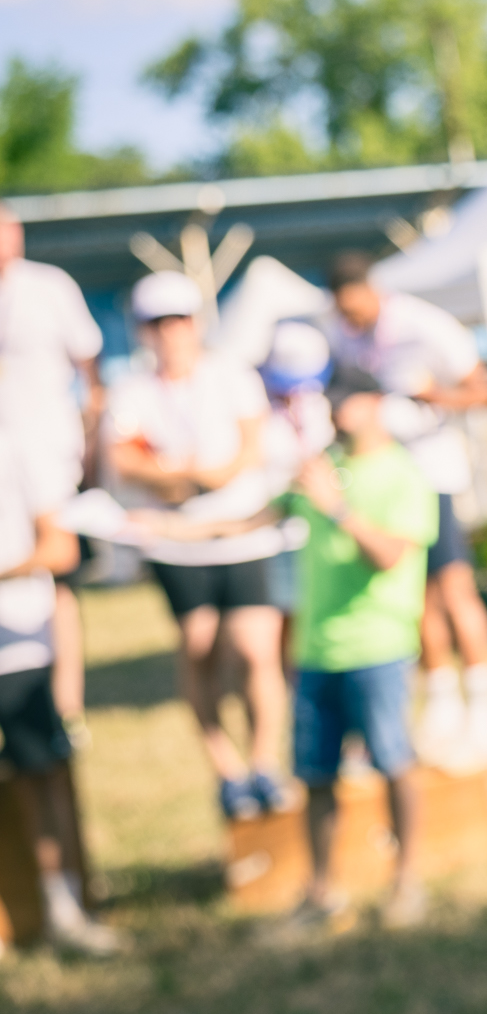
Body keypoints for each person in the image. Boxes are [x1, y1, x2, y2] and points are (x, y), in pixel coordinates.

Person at [159, 362, 437, 934]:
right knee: (314, 775)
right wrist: (164, 529)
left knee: (394, 763)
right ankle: (321, 890)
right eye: (331, 401)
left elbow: (390, 555)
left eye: (347, 401)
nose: (336, 412)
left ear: (376, 404)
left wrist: (338, 508)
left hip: (379, 647)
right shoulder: (321, 469)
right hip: (315, 651)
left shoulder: (403, 474)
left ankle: (407, 882)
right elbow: (256, 519)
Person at [108, 271, 290, 821]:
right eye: (159, 323)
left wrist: (181, 478)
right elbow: (124, 458)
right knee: (199, 644)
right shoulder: (133, 389)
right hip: (178, 545)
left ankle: (265, 762)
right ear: (145, 330)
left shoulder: (230, 374)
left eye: (179, 320)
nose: (171, 332)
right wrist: (187, 478)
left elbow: (246, 453)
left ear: (195, 323)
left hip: (241, 533)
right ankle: (227, 769)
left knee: (256, 649)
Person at [323, 251, 487, 770]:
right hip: (383, 477)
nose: (352, 321)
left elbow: (484, 391)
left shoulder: (426, 327)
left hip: (431, 474)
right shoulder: (343, 336)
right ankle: (441, 701)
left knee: (454, 587)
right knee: (416, 597)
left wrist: (432, 395)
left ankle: (482, 706)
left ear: (373, 292)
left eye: (357, 311)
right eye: (344, 314)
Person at [0, 429, 126, 957]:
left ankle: (66, 907)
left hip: (19, 648)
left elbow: (60, 547)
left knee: (42, 776)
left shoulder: (17, 447)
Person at [0, 204, 103, 744]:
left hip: (49, 455)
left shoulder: (49, 286)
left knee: (56, 576)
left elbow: (91, 373)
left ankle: (66, 705)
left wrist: (90, 449)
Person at [258, 322, 337, 669]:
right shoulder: (260, 408)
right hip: (277, 527)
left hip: (321, 523)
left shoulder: (324, 404)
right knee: (286, 615)